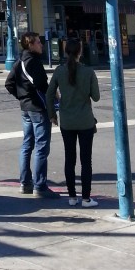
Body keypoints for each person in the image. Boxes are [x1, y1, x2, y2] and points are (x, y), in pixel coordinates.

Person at [46, 37, 100, 208]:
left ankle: (71, 197)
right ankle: (86, 198)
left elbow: (49, 94)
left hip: (67, 122)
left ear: (65, 51)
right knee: (86, 161)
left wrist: (52, 114)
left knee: (70, 159)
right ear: (80, 52)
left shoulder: (59, 71)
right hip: (85, 121)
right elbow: (96, 97)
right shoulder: (88, 72)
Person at [5, 32, 57, 199]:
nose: (41, 45)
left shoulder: (19, 62)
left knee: (27, 145)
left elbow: (9, 83)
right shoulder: (34, 62)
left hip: (25, 108)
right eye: (38, 42)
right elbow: (43, 87)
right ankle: (40, 185)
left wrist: (22, 97)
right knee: (42, 147)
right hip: (38, 109)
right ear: (31, 45)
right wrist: (52, 109)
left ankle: (25, 182)